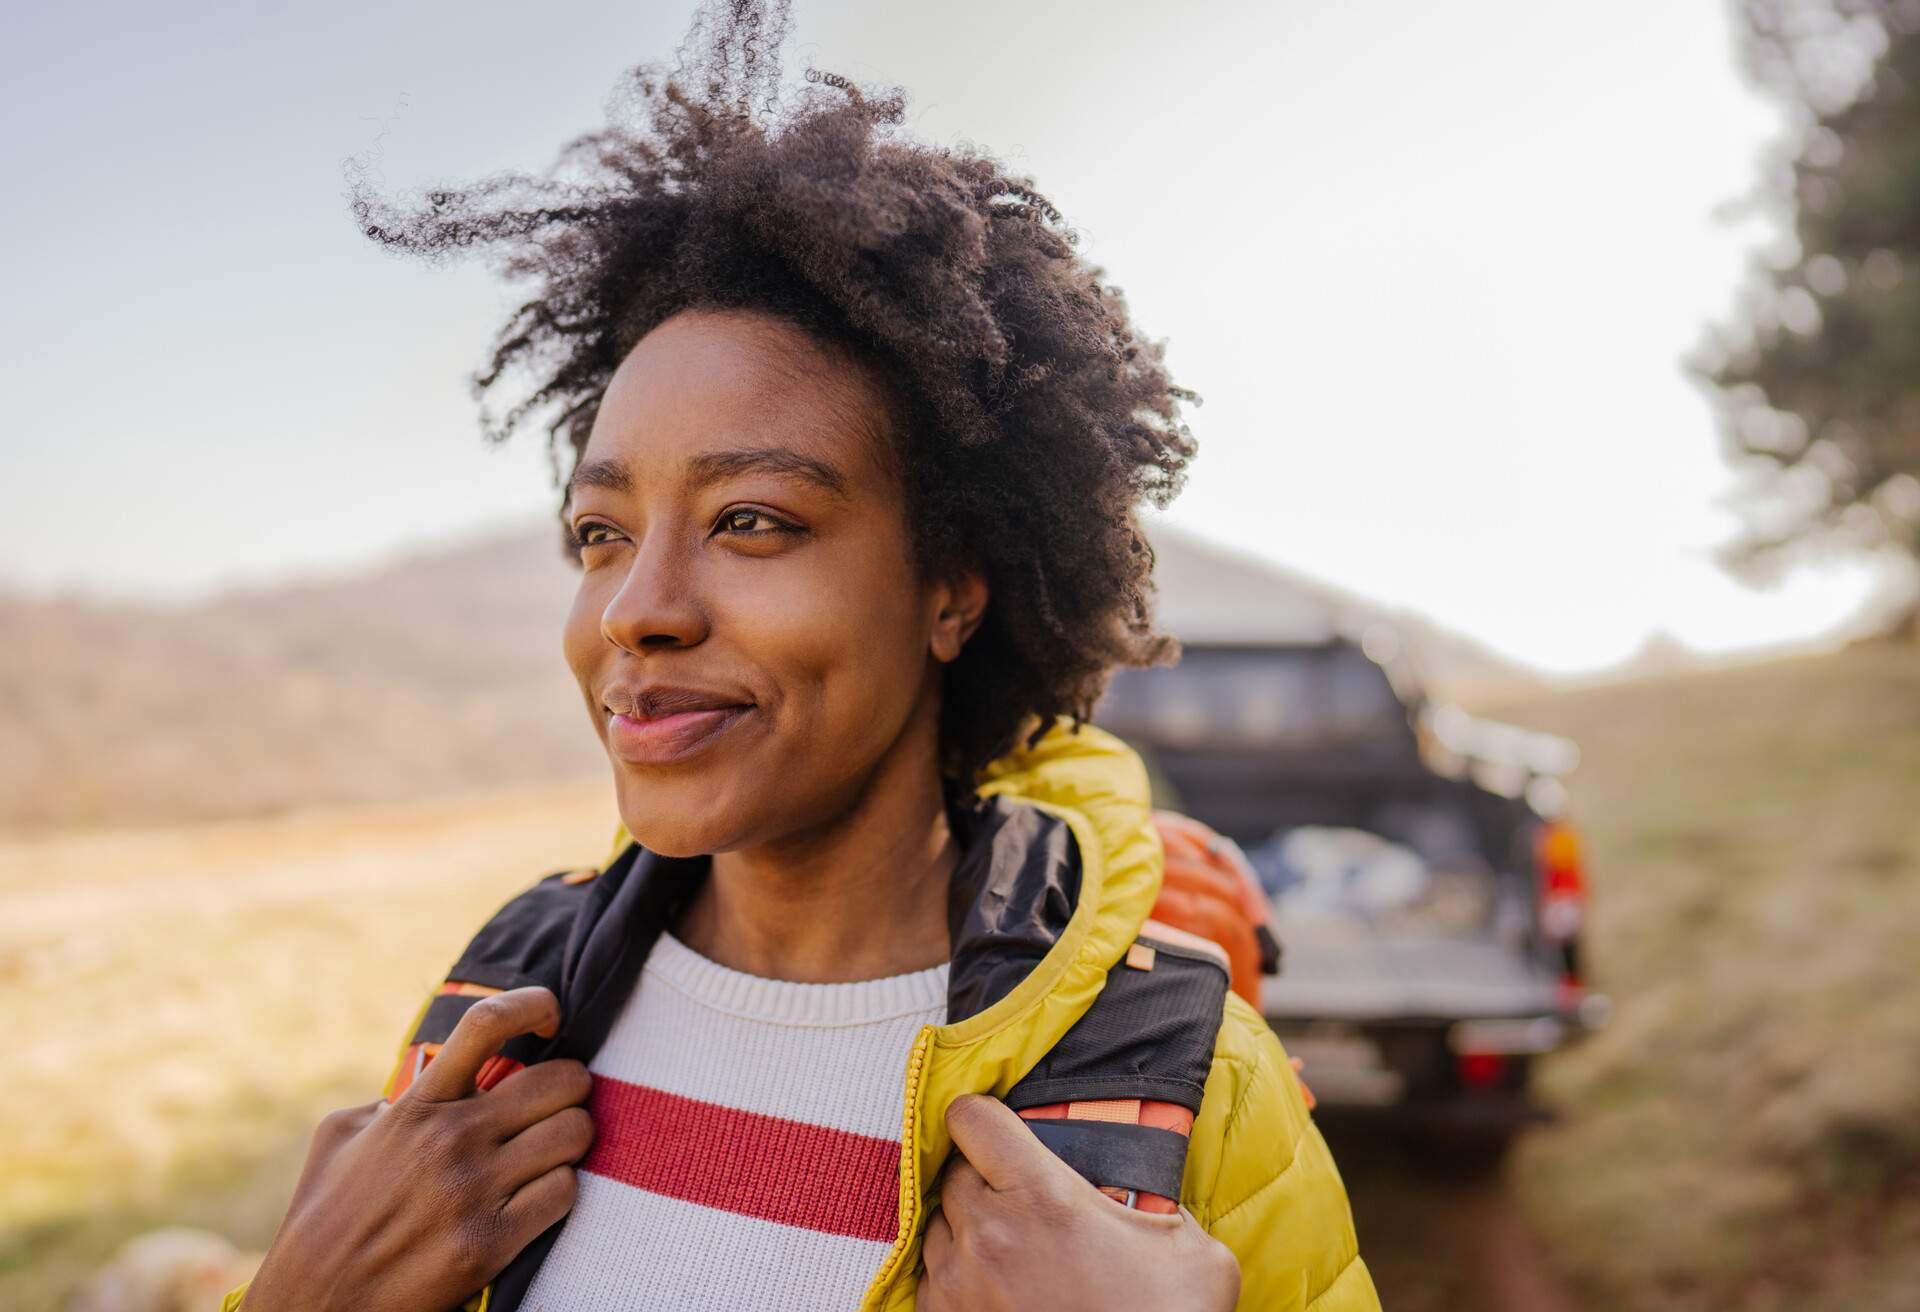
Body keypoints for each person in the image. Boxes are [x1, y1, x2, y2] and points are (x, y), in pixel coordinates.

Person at [230, 5, 1377, 1308]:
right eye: (600, 534)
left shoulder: (1183, 1085)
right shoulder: (499, 1020)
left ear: (950, 591)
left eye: (752, 521)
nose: (635, 611)